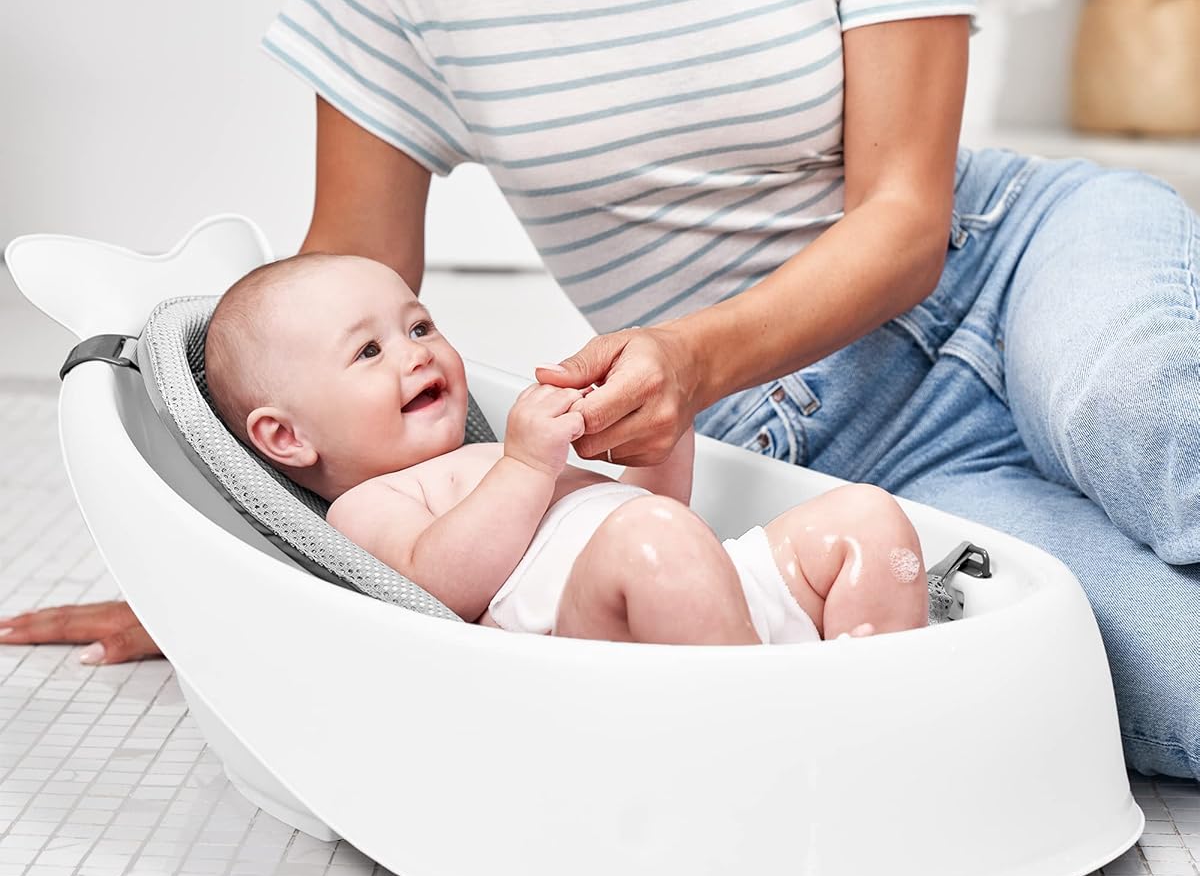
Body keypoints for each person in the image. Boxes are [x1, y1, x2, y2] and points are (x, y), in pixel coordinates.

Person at [3, 0, 1197, 778]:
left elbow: (904, 221)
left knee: (1145, 417)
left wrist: (685, 356)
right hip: (829, 445)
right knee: (1160, 679)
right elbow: (347, 279)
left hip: (1015, 261)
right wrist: (254, 575)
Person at [200, 250, 928, 644]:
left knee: (867, 517)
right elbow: (437, 587)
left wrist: (664, 443)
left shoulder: (496, 458)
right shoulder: (366, 506)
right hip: (593, 645)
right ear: (286, 437)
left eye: (419, 327)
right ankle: (776, 732)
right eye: (368, 351)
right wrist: (524, 465)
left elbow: (661, 519)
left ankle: (877, 701)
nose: (416, 353)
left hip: (709, 597)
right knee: (651, 538)